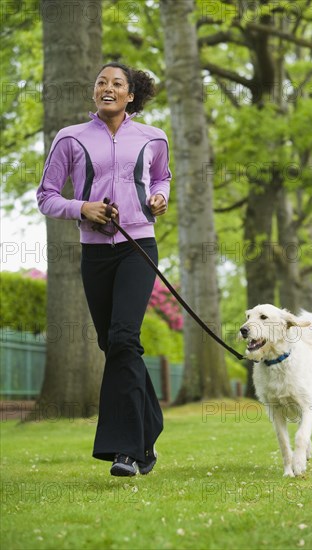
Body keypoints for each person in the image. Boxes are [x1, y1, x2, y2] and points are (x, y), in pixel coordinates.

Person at [37, 62, 171, 476]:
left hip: (138, 246)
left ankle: (126, 451)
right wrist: (83, 208)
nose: (107, 88)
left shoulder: (153, 137)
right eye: (101, 82)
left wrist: (159, 198)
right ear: (94, 92)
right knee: (113, 345)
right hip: (95, 252)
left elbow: (161, 177)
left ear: (131, 95)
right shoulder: (70, 138)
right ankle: (151, 426)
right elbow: (46, 196)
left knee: (123, 337)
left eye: (116, 83)